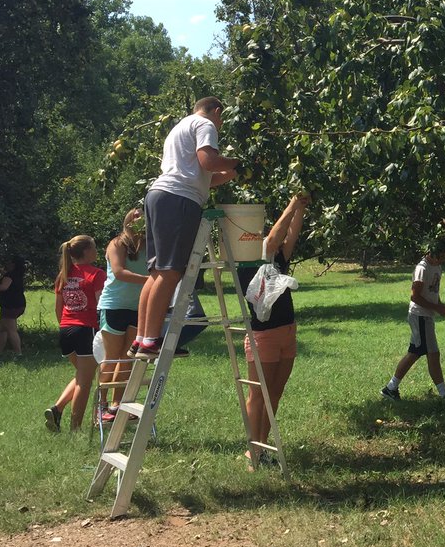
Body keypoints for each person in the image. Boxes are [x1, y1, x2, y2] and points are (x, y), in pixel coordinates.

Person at [132, 97, 238, 360]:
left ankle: (141, 339)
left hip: (160, 196)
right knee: (170, 272)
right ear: (216, 111)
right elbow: (208, 162)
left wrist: (231, 174)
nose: (220, 124)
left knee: (157, 272)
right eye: (221, 118)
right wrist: (237, 162)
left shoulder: (179, 128)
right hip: (179, 201)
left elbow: (204, 177)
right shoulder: (205, 124)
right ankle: (150, 342)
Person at [237, 194, 309, 466]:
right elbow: (274, 238)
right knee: (259, 393)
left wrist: (300, 208)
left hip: (287, 331)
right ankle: (251, 450)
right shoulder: (250, 260)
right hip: (263, 336)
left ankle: (263, 446)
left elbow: (290, 236)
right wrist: (292, 203)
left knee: (275, 392)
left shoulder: (277, 257)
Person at [381, 239, 445, 401]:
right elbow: (415, 296)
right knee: (424, 353)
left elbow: (433, 292)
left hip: (426, 316)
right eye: (441, 256)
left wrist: (440, 304)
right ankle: (392, 388)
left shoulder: (437, 267)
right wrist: (437, 308)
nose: (443, 259)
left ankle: (392, 388)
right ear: (433, 253)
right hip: (419, 315)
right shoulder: (422, 269)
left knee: (424, 353)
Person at [46, 235, 106, 432]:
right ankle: (75, 429)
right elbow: (101, 307)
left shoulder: (63, 275)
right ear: (87, 251)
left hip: (65, 330)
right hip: (86, 330)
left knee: (82, 375)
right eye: (94, 247)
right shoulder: (97, 275)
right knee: (85, 381)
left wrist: (65, 325)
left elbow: (58, 308)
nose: (97, 251)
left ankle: (57, 409)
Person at [96, 209, 150, 422]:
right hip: (114, 306)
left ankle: (117, 405)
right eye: (135, 216)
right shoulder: (117, 243)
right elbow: (118, 272)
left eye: (144, 217)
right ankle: (100, 405)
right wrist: (150, 282)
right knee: (112, 358)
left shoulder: (150, 246)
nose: (140, 221)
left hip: (139, 308)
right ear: (128, 220)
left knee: (128, 358)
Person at [0, 255, 26, 356]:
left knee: (11, 330)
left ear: (13, 264)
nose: (7, 264)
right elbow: (7, 275)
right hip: (18, 304)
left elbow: (4, 287)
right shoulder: (17, 274)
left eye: (9, 262)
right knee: (2, 329)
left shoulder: (9, 276)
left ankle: (18, 353)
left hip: (10, 306)